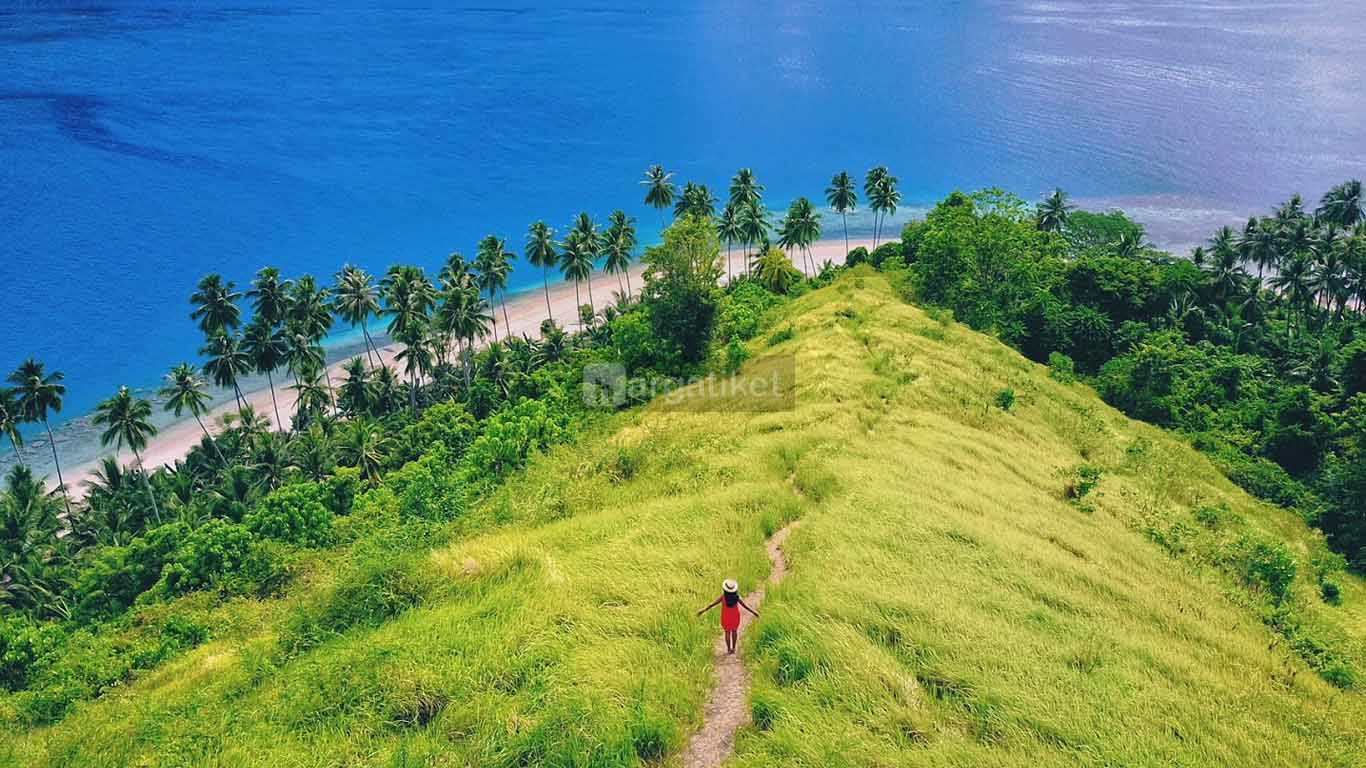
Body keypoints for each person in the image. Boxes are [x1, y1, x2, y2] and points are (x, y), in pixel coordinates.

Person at [697, 578, 759, 654]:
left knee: (727, 632)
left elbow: (712, 604)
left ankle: (729, 649)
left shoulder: (723, 597)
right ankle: (733, 648)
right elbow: (745, 606)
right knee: (734, 631)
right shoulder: (737, 597)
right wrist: (754, 612)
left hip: (725, 617)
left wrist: (703, 610)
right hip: (735, 617)